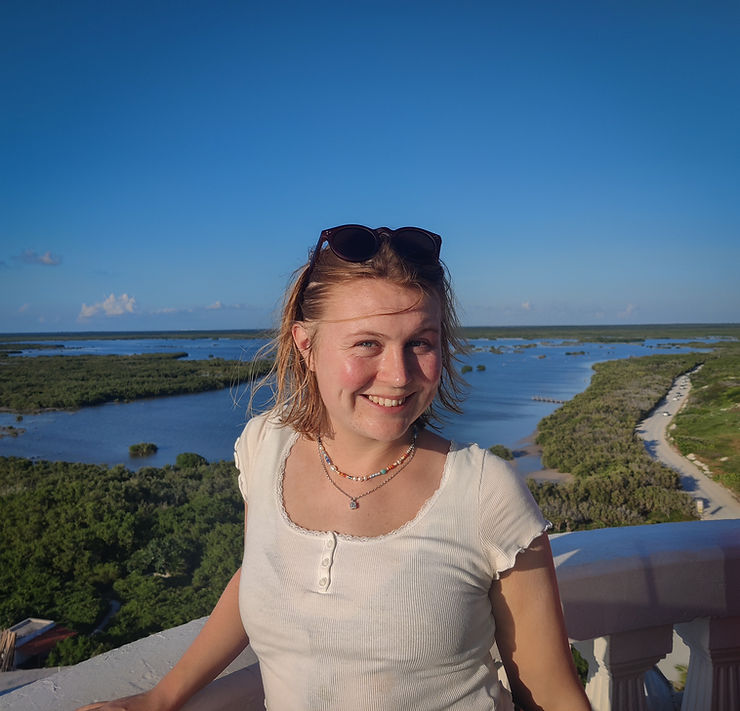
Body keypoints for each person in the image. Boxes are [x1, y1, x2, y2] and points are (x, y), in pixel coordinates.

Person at [78, 225, 591, 711]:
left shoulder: (483, 490)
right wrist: (163, 697)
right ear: (306, 346)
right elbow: (260, 568)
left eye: (421, 342)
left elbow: (551, 694)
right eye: (367, 343)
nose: (398, 376)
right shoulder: (266, 446)